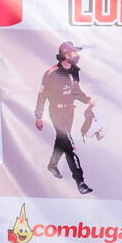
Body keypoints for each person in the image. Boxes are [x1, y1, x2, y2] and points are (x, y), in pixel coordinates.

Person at [34, 41, 95, 194]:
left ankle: (52, 165)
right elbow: (42, 96)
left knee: (62, 141)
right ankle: (80, 182)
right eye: (74, 53)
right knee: (69, 146)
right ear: (66, 55)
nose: (77, 55)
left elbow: (76, 90)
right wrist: (38, 116)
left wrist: (88, 100)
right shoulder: (51, 73)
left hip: (69, 112)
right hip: (57, 113)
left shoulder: (75, 70)